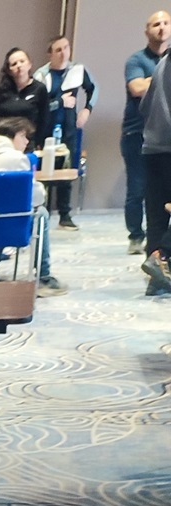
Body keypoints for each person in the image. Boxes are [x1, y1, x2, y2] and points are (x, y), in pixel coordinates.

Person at [0, 117, 67, 296]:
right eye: (24, 136)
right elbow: (37, 198)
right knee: (40, 213)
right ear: (15, 135)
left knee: (2, 211)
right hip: (7, 226)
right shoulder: (17, 158)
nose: (26, 142)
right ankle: (43, 276)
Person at [34, 35, 97, 229]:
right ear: (50, 54)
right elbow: (39, 107)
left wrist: (87, 110)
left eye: (66, 48)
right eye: (58, 50)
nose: (63, 53)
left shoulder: (78, 70)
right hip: (45, 130)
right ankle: (41, 212)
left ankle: (64, 214)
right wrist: (59, 103)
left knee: (66, 172)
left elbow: (93, 89)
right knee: (43, 172)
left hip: (69, 129)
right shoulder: (41, 75)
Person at [123, 11, 171, 253]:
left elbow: (145, 95)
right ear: (146, 30)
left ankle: (156, 262)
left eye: (166, 23)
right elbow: (136, 89)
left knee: (157, 212)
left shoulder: (163, 62)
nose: (161, 28)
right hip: (143, 136)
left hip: (155, 142)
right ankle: (136, 237)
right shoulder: (137, 60)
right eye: (156, 24)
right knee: (138, 190)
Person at [140, 52, 171, 294]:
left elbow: (144, 105)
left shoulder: (162, 62)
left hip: (152, 147)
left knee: (157, 214)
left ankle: (156, 279)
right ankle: (162, 256)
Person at [0, 48, 50, 150]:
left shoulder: (40, 88)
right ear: (9, 70)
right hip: (3, 143)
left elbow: (44, 119)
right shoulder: (0, 89)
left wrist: (38, 142)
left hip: (27, 142)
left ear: (29, 64)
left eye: (22, 61)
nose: (19, 65)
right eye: (14, 64)